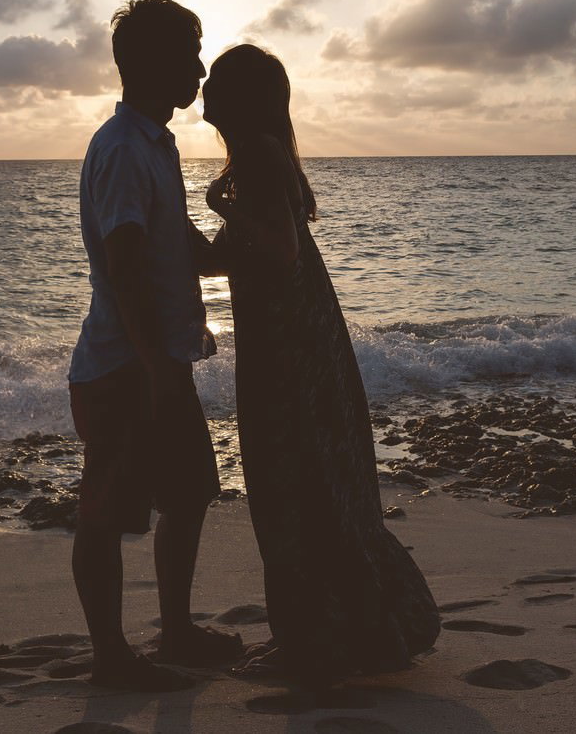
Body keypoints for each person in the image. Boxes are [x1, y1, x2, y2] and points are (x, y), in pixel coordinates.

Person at [201, 43, 440, 687]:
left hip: (286, 349)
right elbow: (231, 258)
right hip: (300, 339)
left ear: (240, 100)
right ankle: (333, 631)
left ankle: (310, 641)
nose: (203, 87)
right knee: (311, 484)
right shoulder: (262, 158)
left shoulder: (255, 158)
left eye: (216, 80)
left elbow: (277, 254)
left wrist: (217, 204)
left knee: (288, 487)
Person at [67, 0, 244, 691]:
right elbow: (126, 262)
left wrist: (255, 251)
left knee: (192, 492)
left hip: (155, 361)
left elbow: (182, 249)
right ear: (149, 64)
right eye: (189, 54)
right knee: (106, 514)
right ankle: (111, 655)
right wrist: (154, 368)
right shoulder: (120, 150)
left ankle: (174, 631)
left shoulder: (155, 144)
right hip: (124, 367)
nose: (200, 69)